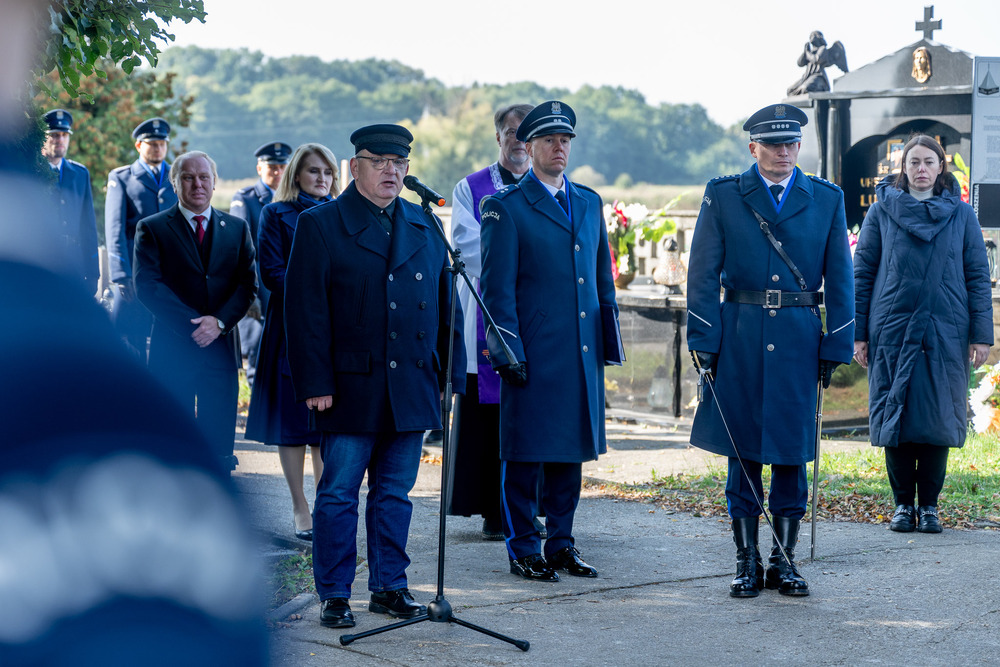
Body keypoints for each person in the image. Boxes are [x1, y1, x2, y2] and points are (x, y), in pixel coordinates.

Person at [284, 124, 465, 630]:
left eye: (399, 163)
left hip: (411, 384)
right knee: (339, 493)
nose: (391, 170)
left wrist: (452, 379)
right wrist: (314, 381)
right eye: (379, 161)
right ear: (355, 167)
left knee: (394, 494)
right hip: (348, 385)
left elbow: (447, 311)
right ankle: (335, 593)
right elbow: (305, 312)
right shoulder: (321, 225)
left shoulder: (425, 224)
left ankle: (388, 586)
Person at [686, 103, 854, 598]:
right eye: (773, 144)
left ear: (800, 146)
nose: (783, 153)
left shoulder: (825, 198)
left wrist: (836, 342)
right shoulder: (724, 195)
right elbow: (701, 275)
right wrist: (705, 341)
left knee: (790, 453)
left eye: (791, 144)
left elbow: (841, 279)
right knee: (743, 453)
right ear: (753, 147)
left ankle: (785, 561)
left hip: (800, 340)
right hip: (739, 336)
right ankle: (746, 560)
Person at [480, 100, 620, 583]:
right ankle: (523, 548)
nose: (559, 148)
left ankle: (561, 543)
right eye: (549, 140)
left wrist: (608, 341)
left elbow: (601, 279)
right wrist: (507, 350)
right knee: (524, 457)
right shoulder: (506, 207)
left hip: (579, 351)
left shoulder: (588, 201)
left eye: (565, 141)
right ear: (528, 146)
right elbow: (497, 291)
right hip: (534, 352)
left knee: (570, 454)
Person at [853, 134, 993, 534]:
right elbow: (862, 274)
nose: (921, 169)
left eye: (929, 161)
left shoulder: (962, 215)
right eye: (913, 161)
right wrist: (858, 333)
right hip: (892, 327)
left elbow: (976, 276)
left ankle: (929, 507)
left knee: (935, 418)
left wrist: (981, 335)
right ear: (903, 167)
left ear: (940, 167)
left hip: (946, 328)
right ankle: (902, 506)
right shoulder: (881, 212)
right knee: (896, 413)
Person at [133, 151, 258, 472]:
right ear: (175, 184)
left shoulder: (237, 228)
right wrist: (194, 325)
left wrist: (218, 322)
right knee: (171, 441)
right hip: (172, 351)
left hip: (221, 352)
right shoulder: (152, 229)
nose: (197, 184)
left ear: (215, 183)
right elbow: (147, 285)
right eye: (188, 177)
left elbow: (247, 286)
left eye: (204, 177)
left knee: (218, 451)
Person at [245, 143, 340, 541]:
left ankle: (325, 504)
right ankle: (301, 509)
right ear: (296, 175)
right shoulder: (275, 213)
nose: (322, 179)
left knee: (326, 426)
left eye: (328, 172)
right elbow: (271, 273)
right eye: (314, 171)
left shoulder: (340, 213)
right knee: (292, 425)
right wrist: (319, 293)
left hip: (335, 331)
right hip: (290, 329)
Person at [448, 103, 534, 541]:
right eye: (511, 132)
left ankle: (527, 508)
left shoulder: (550, 187)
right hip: (486, 307)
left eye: (526, 133)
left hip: (538, 313)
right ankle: (489, 508)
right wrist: (525, 261)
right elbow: (465, 243)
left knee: (533, 410)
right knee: (488, 412)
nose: (519, 141)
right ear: (498, 137)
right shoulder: (472, 187)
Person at [105, 117, 178, 357]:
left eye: (162, 143)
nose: (158, 148)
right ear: (139, 146)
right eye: (152, 144)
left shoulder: (178, 175)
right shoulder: (122, 177)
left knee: (169, 335)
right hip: (136, 271)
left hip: (171, 271)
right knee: (132, 335)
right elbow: (115, 228)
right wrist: (121, 275)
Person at [230, 141, 292, 385]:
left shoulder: (292, 199)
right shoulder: (246, 199)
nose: (277, 172)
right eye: (272, 167)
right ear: (259, 169)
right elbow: (240, 249)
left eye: (282, 167)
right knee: (257, 357)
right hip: (259, 288)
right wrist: (250, 294)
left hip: (286, 287)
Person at [41, 108, 100, 292]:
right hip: (41, 261)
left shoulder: (80, 174)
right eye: (54, 135)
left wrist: (92, 273)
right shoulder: (31, 170)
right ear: (44, 138)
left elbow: (88, 226)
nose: (60, 140)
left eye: (64, 135)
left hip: (74, 263)